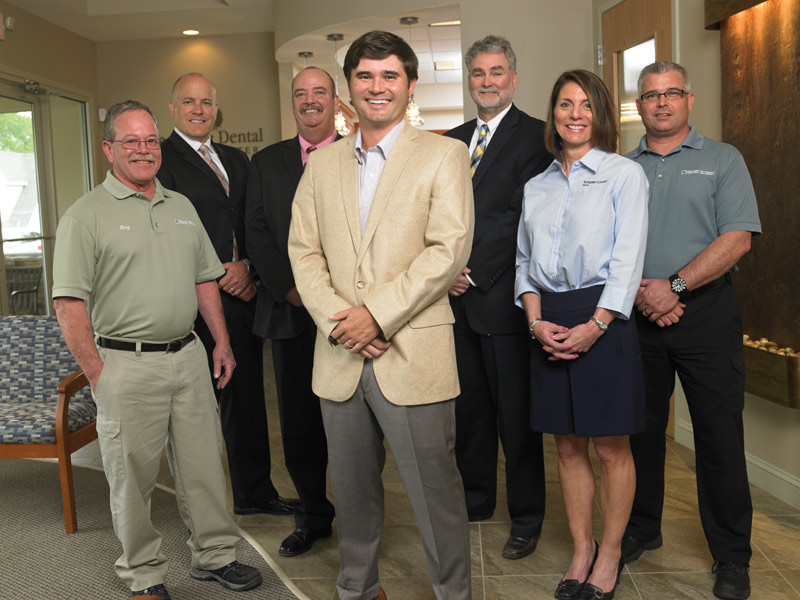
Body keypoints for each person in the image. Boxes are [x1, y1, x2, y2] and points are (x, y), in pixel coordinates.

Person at [287, 30, 474, 600]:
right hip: (339, 355)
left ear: (410, 85)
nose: (377, 87)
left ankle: (453, 594)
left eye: (389, 75)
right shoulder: (321, 166)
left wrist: (377, 315)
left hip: (414, 354)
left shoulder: (444, 155)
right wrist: (343, 320)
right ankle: (358, 590)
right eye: (365, 76)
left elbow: (449, 250)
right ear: (349, 89)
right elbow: (303, 250)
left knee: (435, 497)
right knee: (354, 494)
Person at [52, 100, 262, 600]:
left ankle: (215, 556)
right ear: (109, 149)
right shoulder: (86, 216)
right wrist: (100, 376)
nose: (144, 150)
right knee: (132, 480)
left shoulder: (181, 207)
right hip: (125, 364)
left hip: (188, 356)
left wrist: (222, 343)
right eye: (132, 141)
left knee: (205, 467)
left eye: (150, 140)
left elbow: (204, 280)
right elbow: (68, 305)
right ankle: (144, 575)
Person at [624, 61, 761, 600]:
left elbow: (739, 238)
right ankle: (641, 527)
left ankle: (732, 556)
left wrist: (674, 288)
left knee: (719, 439)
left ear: (689, 99)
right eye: (651, 95)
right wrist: (644, 292)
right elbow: (609, 238)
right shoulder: (622, 166)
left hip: (704, 315)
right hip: (636, 313)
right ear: (639, 105)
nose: (661, 102)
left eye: (671, 93)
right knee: (637, 433)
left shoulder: (723, 159)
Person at [515, 70, 649, 600]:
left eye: (586, 105)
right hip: (547, 319)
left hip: (604, 317)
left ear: (601, 114)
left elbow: (628, 259)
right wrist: (534, 321)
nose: (575, 114)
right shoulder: (536, 184)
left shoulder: (622, 175)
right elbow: (524, 262)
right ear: (553, 114)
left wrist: (596, 326)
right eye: (565, 104)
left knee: (612, 448)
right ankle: (581, 549)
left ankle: (610, 555)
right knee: (567, 446)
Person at [157, 72, 297, 519]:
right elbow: (165, 235)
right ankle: (203, 507)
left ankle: (254, 492)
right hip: (192, 304)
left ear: (217, 109)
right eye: (189, 102)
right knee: (197, 412)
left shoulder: (237, 160)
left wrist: (251, 270)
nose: (199, 110)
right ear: (173, 108)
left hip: (244, 298)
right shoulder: (160, 160)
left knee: (248, 403)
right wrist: (218, 271)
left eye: (207, 103)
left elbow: (255, 226)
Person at [444, 34, 551, 559]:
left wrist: (472, 271)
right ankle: (476, 499)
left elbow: (521, 215)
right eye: (478, 74)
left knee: (516, 416)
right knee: (470, 411)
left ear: (513, 77)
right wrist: (447, 274)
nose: (487, 82)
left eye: (496, 72)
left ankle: (527, 517)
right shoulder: (451, 139)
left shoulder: (537, 137)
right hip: (453, 302)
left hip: (504, 298)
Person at [244, 66, 339, 556]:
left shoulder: (358, 154)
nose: (309, 100)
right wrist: (293, 291)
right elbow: (257, 233)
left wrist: (334, 300)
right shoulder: (267, 163)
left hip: (349, 316)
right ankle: (313, 515)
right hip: (290, 312)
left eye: (319, 92)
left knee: (352, 423)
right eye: (300, 93)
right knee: (300, 424)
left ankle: (360, 513)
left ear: (336, 101)